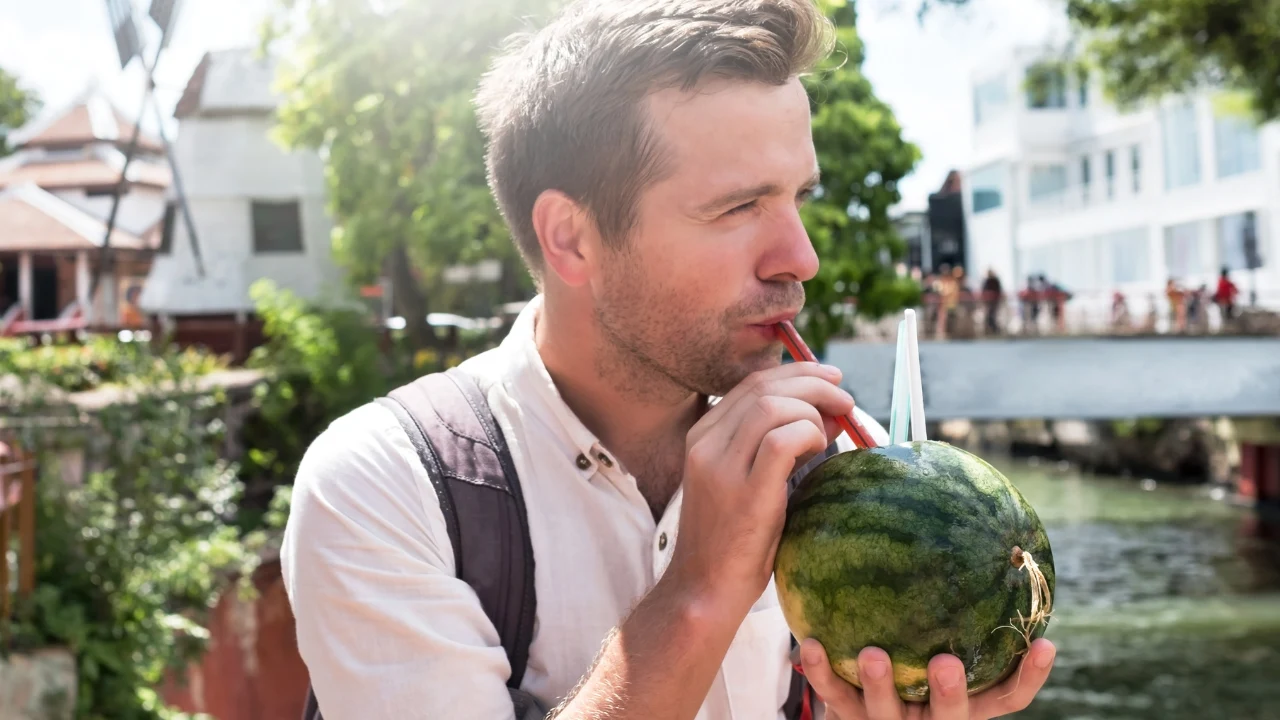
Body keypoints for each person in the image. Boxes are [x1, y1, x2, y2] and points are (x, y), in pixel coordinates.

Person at [281, 2, 1057, 718]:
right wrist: (700, 589)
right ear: (572, 239)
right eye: (738, 207)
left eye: (798, 199)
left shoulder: (838, 466)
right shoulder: (389, 487)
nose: (803, 257)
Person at [980, 269, 1003, 335]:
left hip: (994, 302)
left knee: (994, 316)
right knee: (987, 316)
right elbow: (983, 291)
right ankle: (987, 330)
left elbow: (998, 290)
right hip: (987, 302)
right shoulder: (985, 281)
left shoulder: (995, 281)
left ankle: (995, 330)